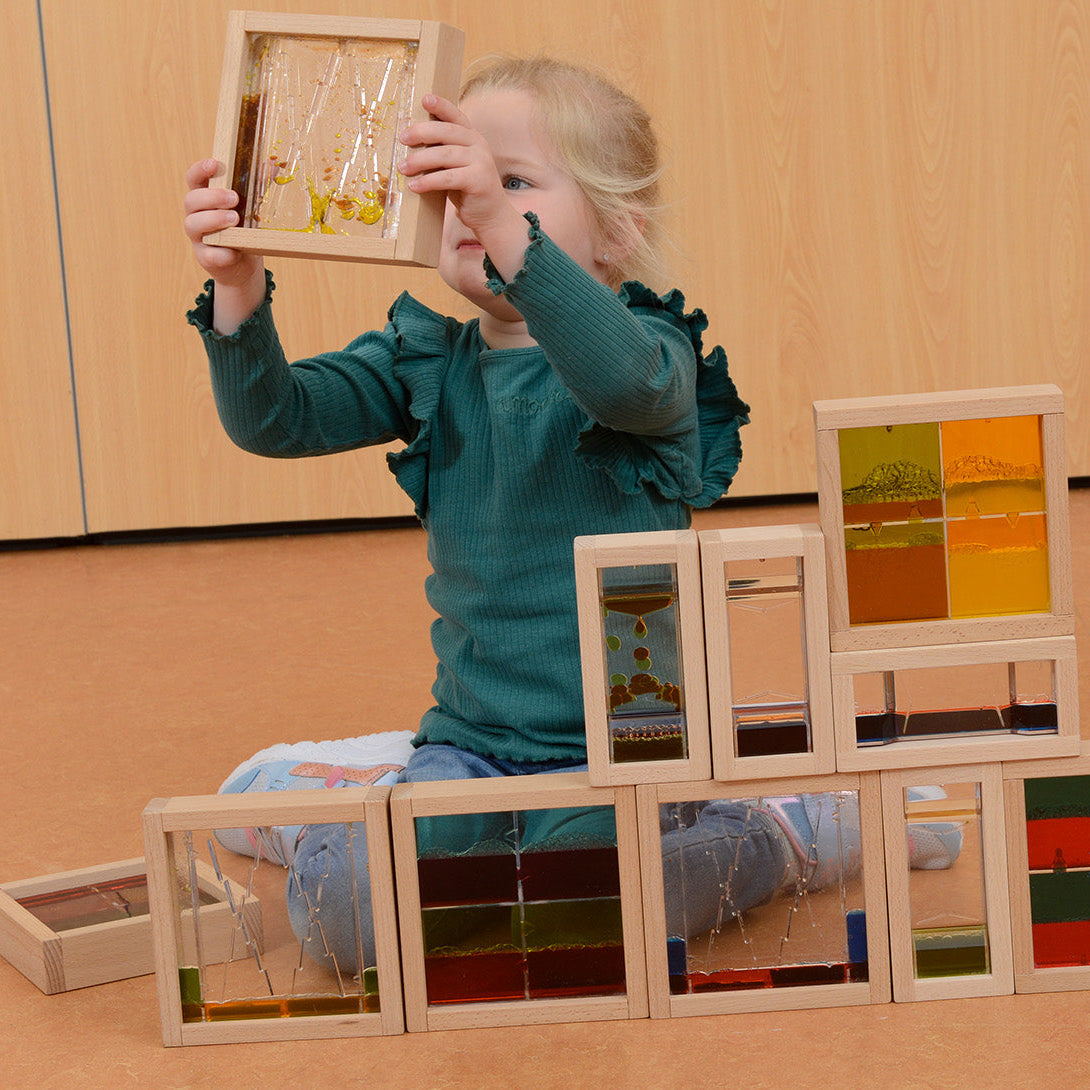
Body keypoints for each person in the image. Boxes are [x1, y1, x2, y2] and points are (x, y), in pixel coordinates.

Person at [184, 56, 956, 974]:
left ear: (619, 234)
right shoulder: (423, 359)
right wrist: (238, 285)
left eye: (512, 183)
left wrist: (503, 224)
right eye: (458, 182)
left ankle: (792, 831)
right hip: (469, 747)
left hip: (627, 755)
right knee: (339, 919)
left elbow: (618, 375)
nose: (474, 207)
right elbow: (275, 422)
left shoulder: (651, 357)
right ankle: (358, 807)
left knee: (595, 906)